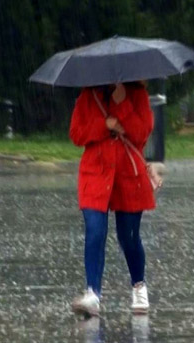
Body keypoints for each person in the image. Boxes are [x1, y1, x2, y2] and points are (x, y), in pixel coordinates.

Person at [69, 81, 155, 317]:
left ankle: (138, 285)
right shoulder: (88, 95)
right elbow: (77, 134)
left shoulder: (138, 95)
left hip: (128, 175)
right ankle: (92, 293)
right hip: (94, 175)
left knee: (128, 237)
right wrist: (104, 125)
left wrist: (122, 103)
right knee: (95, 231)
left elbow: (141, 133)